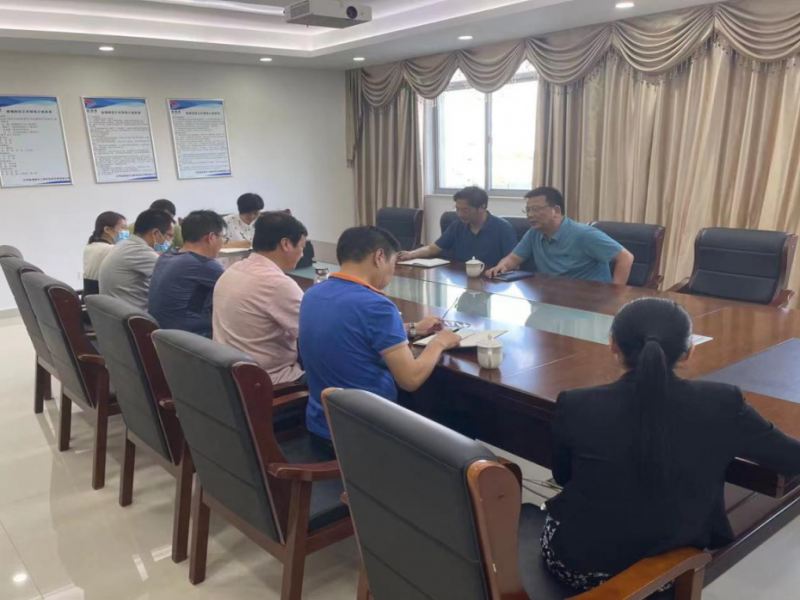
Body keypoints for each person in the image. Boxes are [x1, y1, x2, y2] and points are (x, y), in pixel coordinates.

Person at [541, 298, 800, 592]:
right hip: (663, 571)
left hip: (574, 565)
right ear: (689, 351)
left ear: (613, 344)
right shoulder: (724, 402)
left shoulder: (575, 403)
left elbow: (563, 476)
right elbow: (792, 458)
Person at [299, 226, 462, 449]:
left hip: (321, 427)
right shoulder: (377, 305)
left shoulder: (312, 294)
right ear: (379, 257)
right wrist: (439, 342)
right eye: (393, 264)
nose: (392, 274)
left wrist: (413, 328)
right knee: (448, 419)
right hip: (369, 435)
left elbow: (352, 330)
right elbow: (410, 379)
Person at [213, 212, 308, 383]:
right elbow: (315, 334)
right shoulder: (278, 285)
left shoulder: (233, 270)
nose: (302, 254)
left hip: (228, 376)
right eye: (302, 247)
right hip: (269, 381)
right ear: (286, 244)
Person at [485, 187, 635, 284]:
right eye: (528, 210)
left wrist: (615, 294)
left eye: (536, 209)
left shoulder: (583, 234)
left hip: (591, 300)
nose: (530, 215)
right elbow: (513, 258)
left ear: (556, 210)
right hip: (554, 296)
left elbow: (626, 258)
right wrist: (501, 267)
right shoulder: (534, 233)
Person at [148, 211, 226, 338]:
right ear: (211, 237)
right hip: (192, 339)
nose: (223, 243)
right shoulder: (204, 265)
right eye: (223, 237)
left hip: (164, 337)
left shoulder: (167, 256)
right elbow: (238, 291)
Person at [397, 186, 517, 268]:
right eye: (457, 209)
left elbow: (514, 263)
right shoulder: (457, 226)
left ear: (482, 207)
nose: (460, 214)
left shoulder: (503, 228)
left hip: (491, 281)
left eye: (465, 210)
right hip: (461, 278)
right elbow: (432, 249)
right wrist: (410, 254)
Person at [99, 209, 174, 311]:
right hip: (136, 316)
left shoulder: (125, 245)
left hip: (118, 312)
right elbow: (174, 278)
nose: (170, 241)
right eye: (169, 236)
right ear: (155, 233)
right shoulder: (138, 250)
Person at [83, 211, 127, 296]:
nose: (126, 232)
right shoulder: (112, 249)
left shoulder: (89, 247)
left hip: (89, 298)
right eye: (123, 228)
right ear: (107, 230)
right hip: (106, 299)